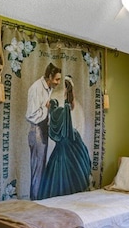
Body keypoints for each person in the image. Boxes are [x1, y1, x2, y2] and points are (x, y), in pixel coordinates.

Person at [37, 75, 91, 199]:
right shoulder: (62, 111)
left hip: (63, 146)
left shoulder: (53, 117)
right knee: (76, 168)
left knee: (58, 171)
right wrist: (68, 92)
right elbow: (70, 106)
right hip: (72, 141)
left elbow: (53, 135)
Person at [26, 63, 61, 200]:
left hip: (43, 130)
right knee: (37, 170)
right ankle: (35, 203)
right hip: (37, 130)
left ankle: (38, 201)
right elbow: (31, 115)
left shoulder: (47, 87)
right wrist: (46, 108)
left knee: (41, 169)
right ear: (50, 77)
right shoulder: (36, 88)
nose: (58, 82)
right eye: (57, 79)